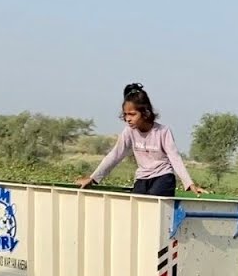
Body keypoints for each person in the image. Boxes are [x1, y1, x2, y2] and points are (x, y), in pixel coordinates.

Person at [76, 83, 206, 197]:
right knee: (137, 209)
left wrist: (189, 184)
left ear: (145, 113)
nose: (128, 119)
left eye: (132, 114)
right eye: (125, 114)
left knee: (152, 205)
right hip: (142, 178)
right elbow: (115, 155)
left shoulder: (163, 131)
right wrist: (93, 178)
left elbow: (175, 158)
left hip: (163, 177)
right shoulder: (129, 131)